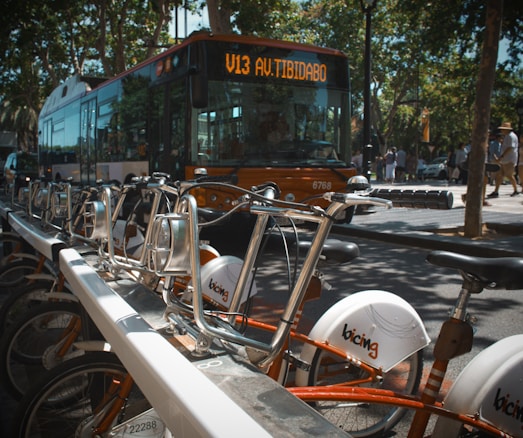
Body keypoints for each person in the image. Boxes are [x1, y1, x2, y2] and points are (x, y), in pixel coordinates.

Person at [488, 122, 519, 198]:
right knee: (499, 175)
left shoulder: (510, 136)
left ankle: (516, 190)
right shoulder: (507, 136)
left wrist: (501, 156)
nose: (502, 130)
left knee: (509, 175)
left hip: (509, 159)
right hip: (505, 159)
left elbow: (510, 148)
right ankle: (496, 191)